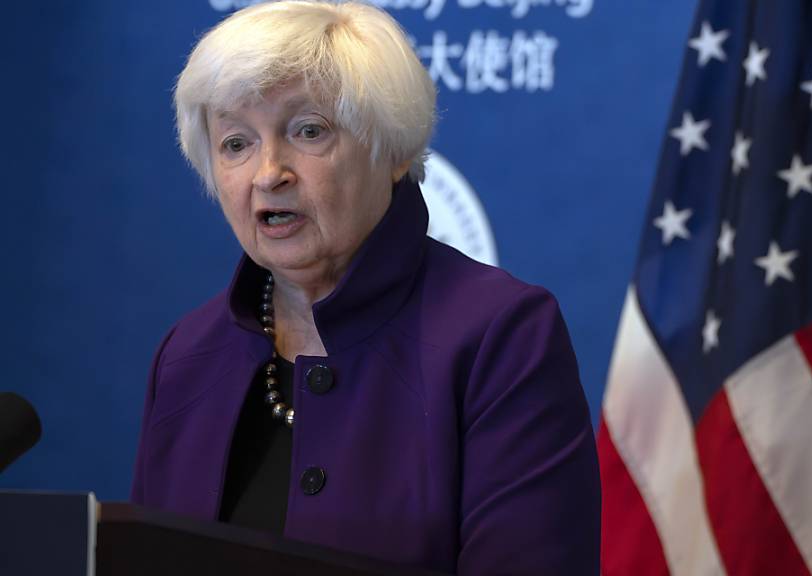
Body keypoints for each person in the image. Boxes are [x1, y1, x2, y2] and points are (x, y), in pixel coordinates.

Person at [128, 1, 600, 574]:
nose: (267, 172)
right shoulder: (187, 356)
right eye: (236, 143)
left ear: (394, 151)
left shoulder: (500, 337)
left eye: (308, 131)